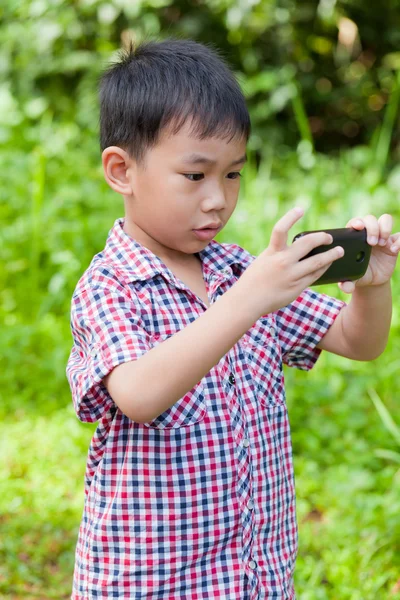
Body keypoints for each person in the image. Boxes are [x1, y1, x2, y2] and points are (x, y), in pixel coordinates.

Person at [66, 37, 400, 600]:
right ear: (122, 170)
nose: (218, 199)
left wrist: (372, 288)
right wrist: (247, 300)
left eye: (234, 175)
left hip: (253, 575)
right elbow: (139, 394)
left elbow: (356, 341)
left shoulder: (241, 269)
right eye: (195, 176)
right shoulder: (112, 286)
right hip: (150, 579)